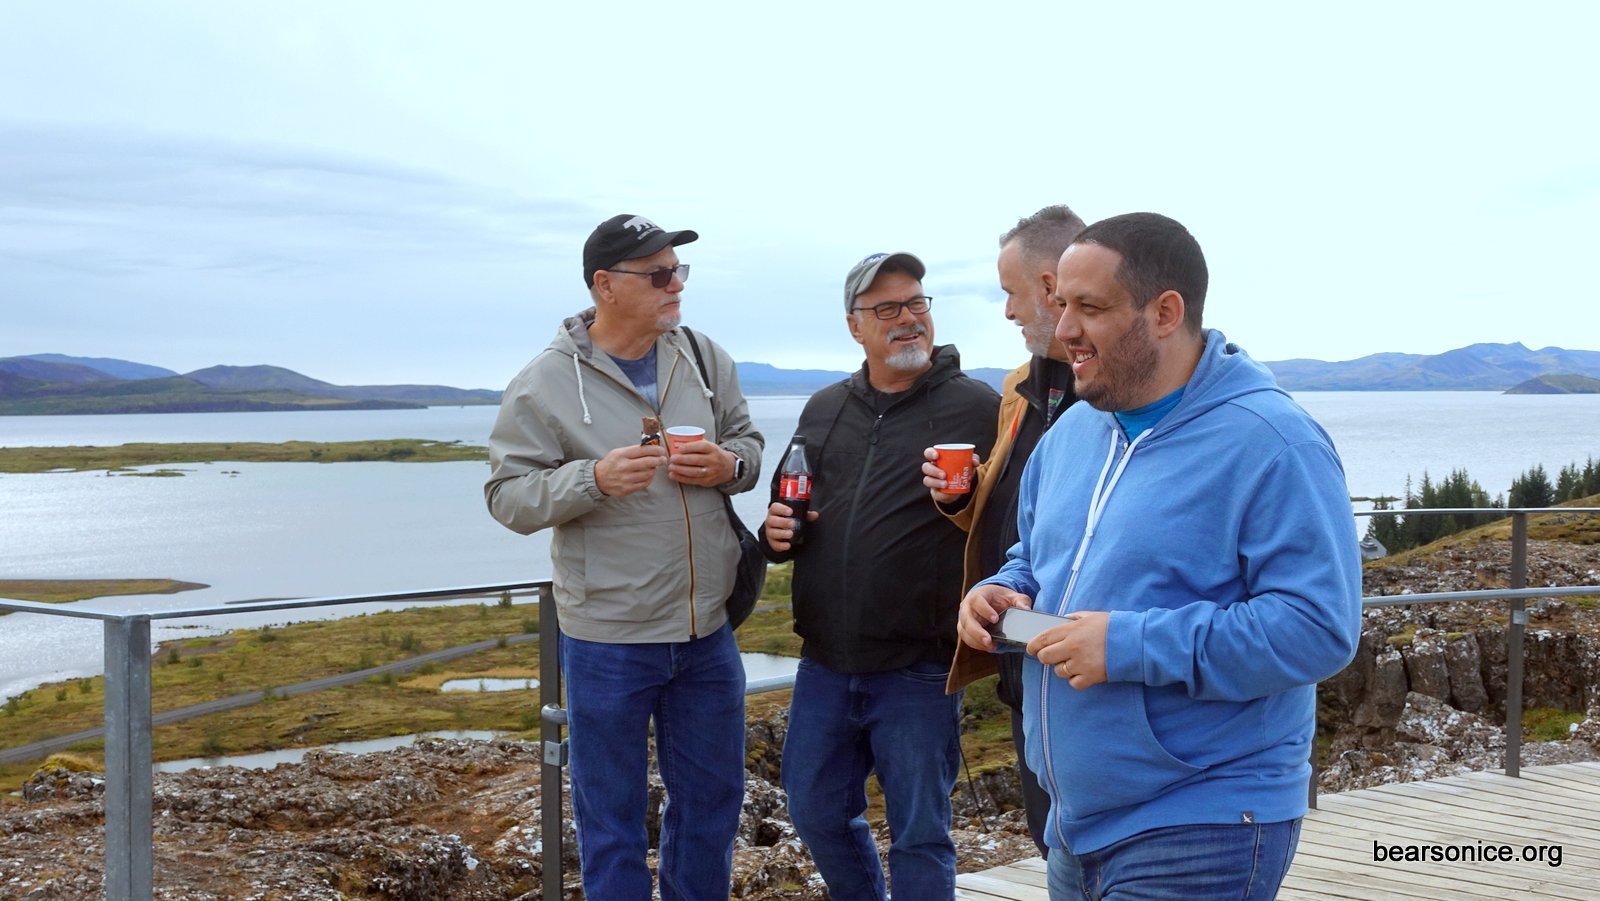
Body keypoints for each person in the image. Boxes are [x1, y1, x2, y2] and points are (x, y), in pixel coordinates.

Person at [957, 213, 1361, 899]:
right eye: (1062, 305)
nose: (1064, 329)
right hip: (1074, 824)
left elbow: (1318, 628)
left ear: (1166, 312)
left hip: (1205, 820)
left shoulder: (1273, 441)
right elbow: (1036, 556)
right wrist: (1000, 588)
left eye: (1090, 308)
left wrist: (1128, 644)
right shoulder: (1072, 432)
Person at [484, 213, 763, 901]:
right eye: (659, 274)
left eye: (679, 271)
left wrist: (728, 464)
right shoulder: (544, 382)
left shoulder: (703, 356)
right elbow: (507, 497)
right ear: (605, 285)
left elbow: (749, 445)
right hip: (607, 639)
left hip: (706, 631)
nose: (677, 285)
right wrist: (593, 479)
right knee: (610, 823)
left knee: (712, 807)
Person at [762, 251, 998, 900]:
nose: (907, 318)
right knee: (813, 807)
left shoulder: (978, 408)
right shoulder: (824, 408)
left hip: (920, 665)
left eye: (916, 302)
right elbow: (789, 501)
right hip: (825, 660)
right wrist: (775, 533)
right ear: (854, 326)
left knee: (920, 832)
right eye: (886, 308)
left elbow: (1015, 518)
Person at [923, 204, 1085, 857]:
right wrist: (963, 495)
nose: (1009, 311)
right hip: (1019, 646)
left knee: (1086, 845)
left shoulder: (1115, 391)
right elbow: (1014, 502)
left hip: (1080, 655)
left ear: (1049, 287)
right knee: (1052, 842)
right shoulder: (1023, 384)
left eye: (1011, 293)